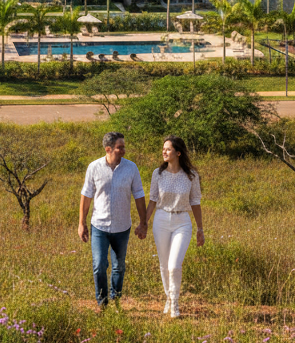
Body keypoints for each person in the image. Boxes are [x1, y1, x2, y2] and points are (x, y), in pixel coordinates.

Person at [78, 131, 148, 311]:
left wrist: (143, 222)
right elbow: (86, 196)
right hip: (99, 226)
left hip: (122, 226)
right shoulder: (94, 167)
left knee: (119, 267)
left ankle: (115, 299)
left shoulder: (131, 168)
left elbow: (139, 195)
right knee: (99, 265)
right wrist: (81, 223)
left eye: (124, 146)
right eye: (120, 147)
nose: (124, 150)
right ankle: (102, 303)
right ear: (108, 149)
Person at [145, 135, 204, 318]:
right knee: (164, 265)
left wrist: (200, 229)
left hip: (182, 222)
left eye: (168, 149)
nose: (164, 151)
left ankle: (175, 304)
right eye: (163, 148)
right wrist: (143, 223)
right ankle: (169, 298)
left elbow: (195, 202)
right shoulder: (158, 173)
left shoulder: (191, 176)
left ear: (178, 153)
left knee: (174, 265)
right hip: (161, 219)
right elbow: (153, 199)